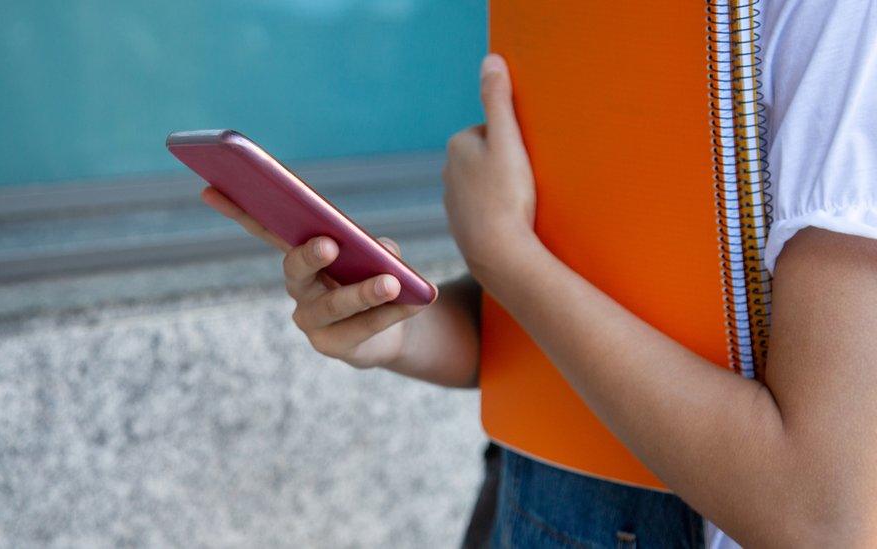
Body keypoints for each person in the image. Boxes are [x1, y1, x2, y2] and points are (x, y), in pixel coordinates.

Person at [202, 1, 876, 545]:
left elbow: (823, 518)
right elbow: (574, 317)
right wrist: (401, 330)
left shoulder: (846, 27)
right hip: (537, 495)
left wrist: (507, 256)